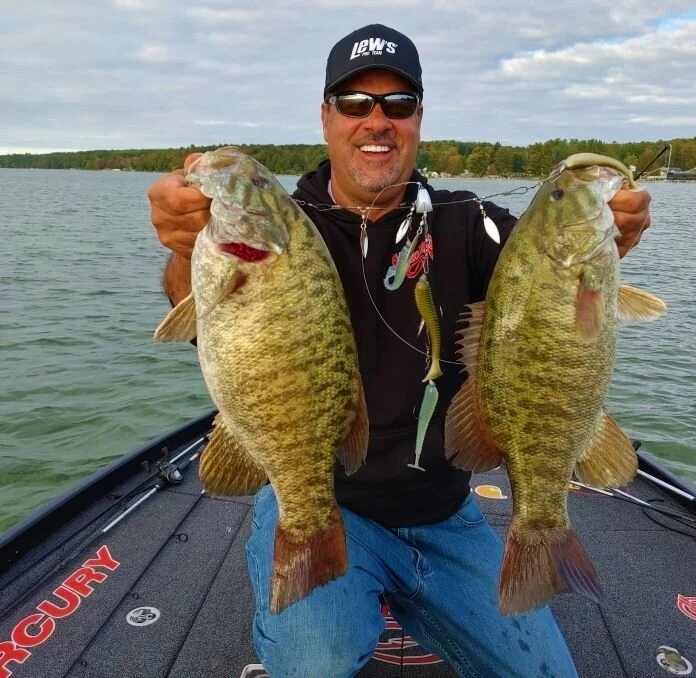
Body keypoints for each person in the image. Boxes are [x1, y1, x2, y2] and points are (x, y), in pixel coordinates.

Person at [148, 24, 651, 678]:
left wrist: (608, 238)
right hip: (326, 494)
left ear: (418, 117)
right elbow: (200, 315)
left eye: (398, 103)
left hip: (445, 512)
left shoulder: (473, 222)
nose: (376, 120)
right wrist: (186, 247)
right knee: (317, 659)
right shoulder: (288, 228)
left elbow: (544, 290)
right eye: (355, 103)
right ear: (326, 117)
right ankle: (320, 577)